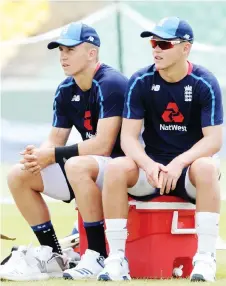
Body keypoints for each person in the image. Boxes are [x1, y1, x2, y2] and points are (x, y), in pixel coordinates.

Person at [99, 17, 224, 282]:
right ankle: (117, 259)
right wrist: (147, 164)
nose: (156, 48)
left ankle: (205, 258)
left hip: (189, 172)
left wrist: (179, 163)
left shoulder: (205, 82)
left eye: (164, 44)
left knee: (207, 166)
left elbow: (214, 141)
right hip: (152, 172)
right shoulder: (140, 80)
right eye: (154, 42)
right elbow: (129, 139)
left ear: (185, 48)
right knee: (117, 167)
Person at [3, 22, 128, 281]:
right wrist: (37, 156)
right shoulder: (65, 89)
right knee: (19, 174)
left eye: (70, 49)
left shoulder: (111, 83)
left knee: (75, 164)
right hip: (87, 169)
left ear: (92, 53)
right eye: (61, 49)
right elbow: (54, 140)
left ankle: (96, 254)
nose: (63, 55)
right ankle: (54, 254)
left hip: (122, 170)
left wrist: (53, 154)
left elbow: (104, 145)